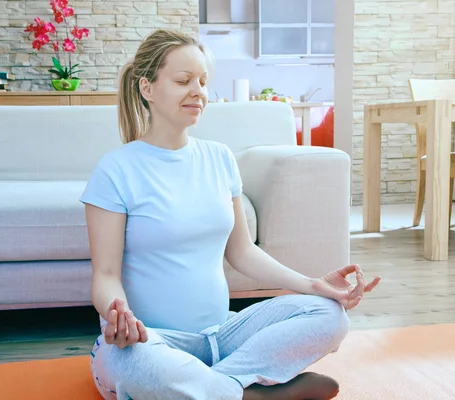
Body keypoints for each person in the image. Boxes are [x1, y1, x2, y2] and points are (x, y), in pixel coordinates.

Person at [80, 29, 381, 400]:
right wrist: (118, 313)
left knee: (329, 315)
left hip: (224, 336)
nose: (198, 91)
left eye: (203, 81)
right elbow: (105, 275)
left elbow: (242, 252)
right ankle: (252, 391)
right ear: (147, 88)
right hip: (150, 340)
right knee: (133, 365)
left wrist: (313, 284)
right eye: (183, 80)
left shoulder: (220, 158)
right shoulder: (116, 170)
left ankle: (216, 388)